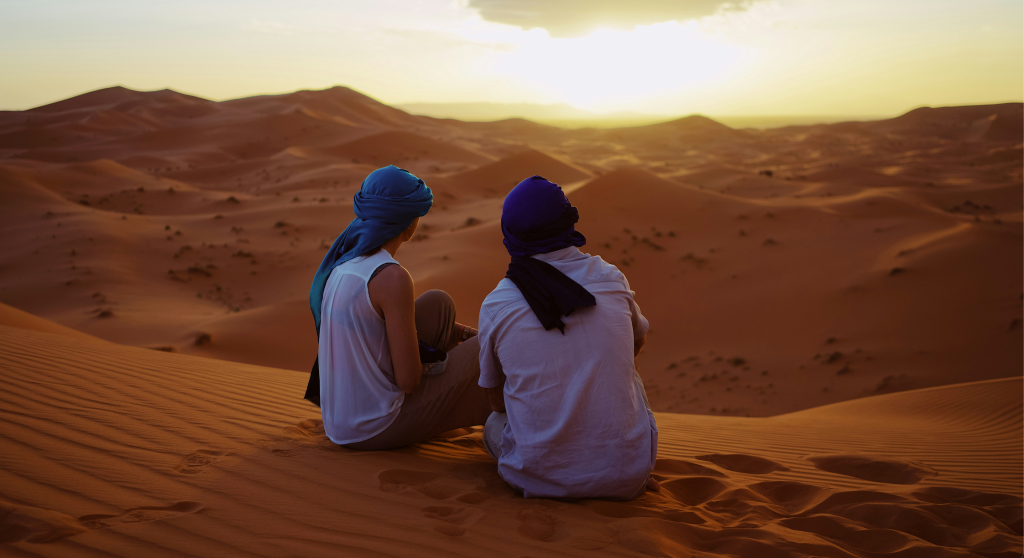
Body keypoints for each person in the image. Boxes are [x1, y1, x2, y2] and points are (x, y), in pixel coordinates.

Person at [477, 176, 659, 499]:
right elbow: (637, 343)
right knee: (630, 372)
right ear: (567, 221)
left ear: (510, 233)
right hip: (629, 479)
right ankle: (620, 457)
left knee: (493, 424)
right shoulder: (610, 278)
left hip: (535, 479)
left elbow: (495, 401)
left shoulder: (497, 303)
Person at [304, 165, 491, 450]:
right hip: (375, 426)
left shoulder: (344, 262)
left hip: (340, 422)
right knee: (489, 347)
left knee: (438, 304)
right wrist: (451, 362)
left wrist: (463, 335)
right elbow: (408, 381)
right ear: (409, 223)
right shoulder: (391, 277)